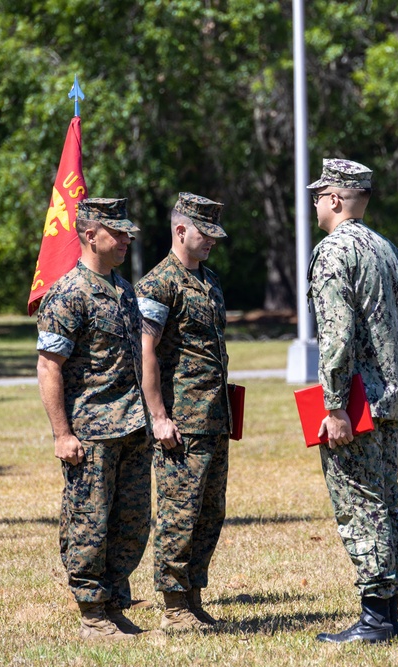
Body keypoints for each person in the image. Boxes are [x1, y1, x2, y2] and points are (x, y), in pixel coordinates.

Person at [307, 158, 398, 643]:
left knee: (360, 504)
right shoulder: (387, 249)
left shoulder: (334, 252)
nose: (313, 203)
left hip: (357, 404)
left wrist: (333, 408)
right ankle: (386, 612)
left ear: (335, 199)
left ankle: (376, 619)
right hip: (389, 400)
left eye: (318, 194)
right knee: (385, 502)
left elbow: (336, 337)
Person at [35, 197, 151, 640]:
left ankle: (115, 601)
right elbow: (49, 367)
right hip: (92, 431)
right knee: (89, 520)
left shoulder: (123, 289)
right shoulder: (68, 294)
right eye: (117, 233)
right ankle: (91, 611)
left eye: (127, 233)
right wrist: (62, 434)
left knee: (132, 520)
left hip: (132, 426)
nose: (126, 240)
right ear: (90, 235)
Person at [135, 193, 232, 632]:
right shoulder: (159, 284)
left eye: (215, 233)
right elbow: (145, 352)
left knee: (210, 511)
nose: (211, 241)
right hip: (180, 421)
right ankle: (175, 604)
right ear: (180, 230)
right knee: (179, 511)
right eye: (204, 232)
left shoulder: (209, 281)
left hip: (213, 417)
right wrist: (158, 415)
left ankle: (193, 594)